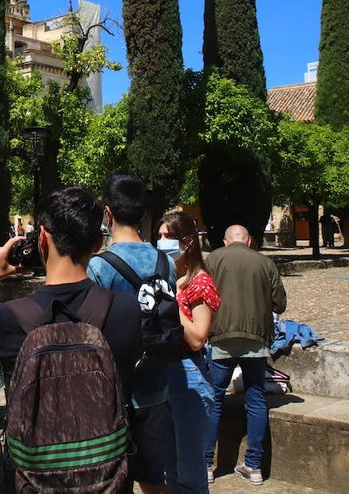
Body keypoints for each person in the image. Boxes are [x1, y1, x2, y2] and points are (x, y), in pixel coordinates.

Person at [0, 186, 144, 491]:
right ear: (97, 243)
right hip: (107, 478)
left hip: (30, 480)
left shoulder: (10, 318)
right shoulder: (126, 310)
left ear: (41, 239)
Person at [87, 174, 177, 494]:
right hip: (158, 385)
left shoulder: (99, 267)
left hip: (114, 393)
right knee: (154, 480)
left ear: (107, 213)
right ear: (143, 214)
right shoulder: (166, 261)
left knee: (111, 481)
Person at [203, 225, 287, 486]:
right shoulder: (265, 262)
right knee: (256, 399)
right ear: (249, 241)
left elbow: (201, 294)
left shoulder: (213, 259)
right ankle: (254, 465)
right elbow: (280, 303)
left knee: (214, 398)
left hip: (221, 337)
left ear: (226, 242)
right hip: (256, 338)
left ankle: (206, 465)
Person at [161, 212, 220, 494]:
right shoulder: (167, 277)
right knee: (169, 467)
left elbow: (198, 337)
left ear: (187, 242)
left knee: (189, 470)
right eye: (159, 236)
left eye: (168, 237)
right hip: (163, 373)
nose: (161, 242)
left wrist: (168, 302)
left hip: (189, 375)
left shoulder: (201, 283)